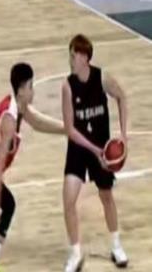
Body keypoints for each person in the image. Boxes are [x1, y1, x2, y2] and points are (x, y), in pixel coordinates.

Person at [0, 62, 65, 272]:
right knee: (7, 205)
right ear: (20, 90)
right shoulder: (9, 119)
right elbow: (0, 164)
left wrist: (67, 129)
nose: (33, 91)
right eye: (30, 86)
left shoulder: (18, 107)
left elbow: (38, 123)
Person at [62, 34, 128, 272]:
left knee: (106, 196)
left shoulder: (102, 78)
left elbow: (122, 97)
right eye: (70, 55)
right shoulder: (67, 86)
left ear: (84, 57)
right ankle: (76, 253)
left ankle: (116, 245)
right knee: (68, 200)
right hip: (80, 148)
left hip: (103, 147)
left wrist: (123, 136)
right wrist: (94, 150)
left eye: (73, 56)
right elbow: (70, 129)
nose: (70, 60)